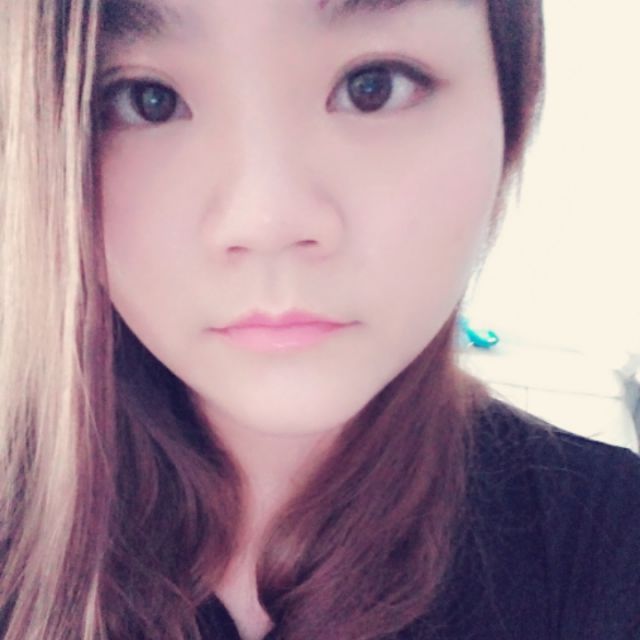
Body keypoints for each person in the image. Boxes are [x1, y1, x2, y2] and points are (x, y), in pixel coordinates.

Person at [0, 0, 639, 639]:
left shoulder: (612, 546)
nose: (266, 221)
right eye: (148, 101)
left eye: (373, 86)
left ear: (510, 113)